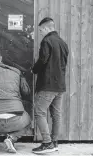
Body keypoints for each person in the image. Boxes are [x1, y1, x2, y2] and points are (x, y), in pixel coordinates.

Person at [31, 17, 69, 154]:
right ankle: (54, 142)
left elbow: (43, 59)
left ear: (47, 28)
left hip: (48, 85)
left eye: (41, 30)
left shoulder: (47, 41)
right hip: (60, 85)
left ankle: (47, 143)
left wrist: (34, 69)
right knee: (56, 115)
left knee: (39, 112)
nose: (41, 33)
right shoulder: (63, 43)